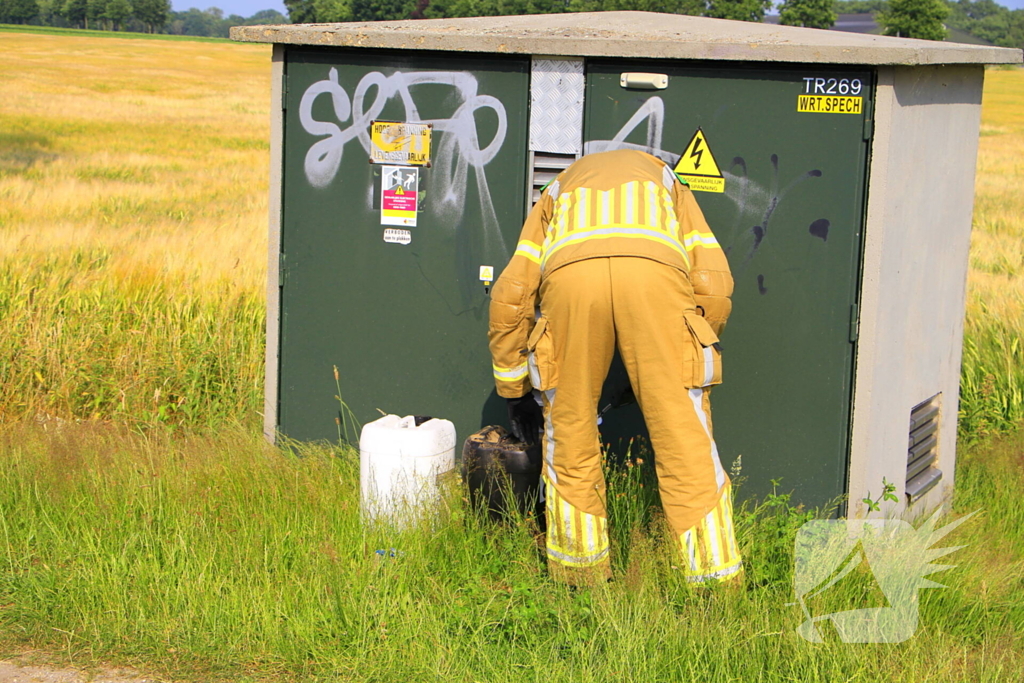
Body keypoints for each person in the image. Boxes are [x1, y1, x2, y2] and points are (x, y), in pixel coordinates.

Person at [487, 148, 741, 586]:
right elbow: (713, 282)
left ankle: (579, 576)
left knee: (569, 432)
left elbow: (512, 294)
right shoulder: (667, 181)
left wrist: (514, 390)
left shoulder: (557, 188)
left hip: (570, 283)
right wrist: (691, 342)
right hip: (656, 280)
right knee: (684, 437)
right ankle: (713, 580)